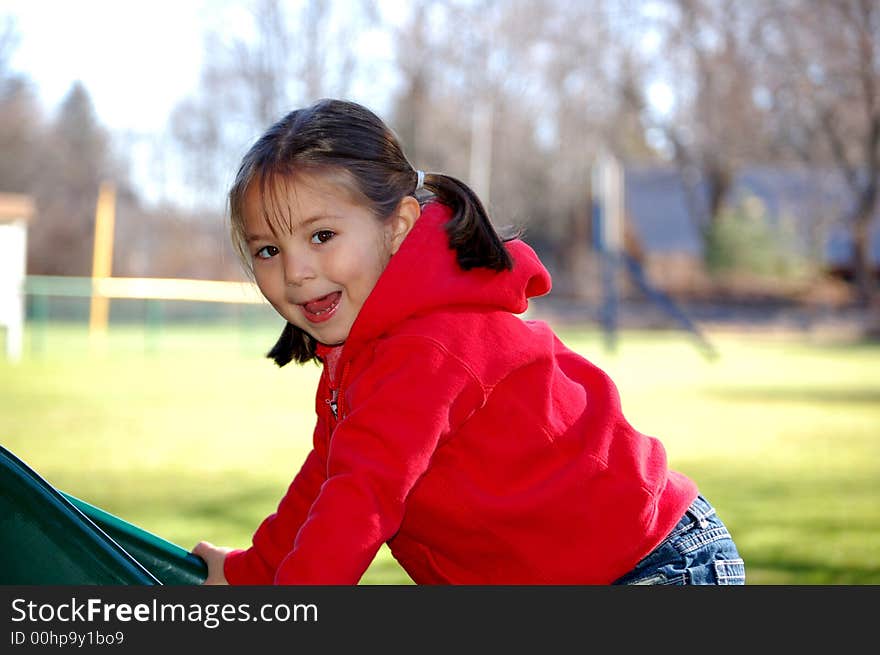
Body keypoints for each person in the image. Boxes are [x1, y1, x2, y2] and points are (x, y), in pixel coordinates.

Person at [192, 98, 745, 585]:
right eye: (268, 251)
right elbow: (327, 482)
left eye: (322, 236)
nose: (296, 271)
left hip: (653, 565)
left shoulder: (430, 344)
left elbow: (359, 501)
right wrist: (248, 576)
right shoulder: (362, 357)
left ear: (399, 225)